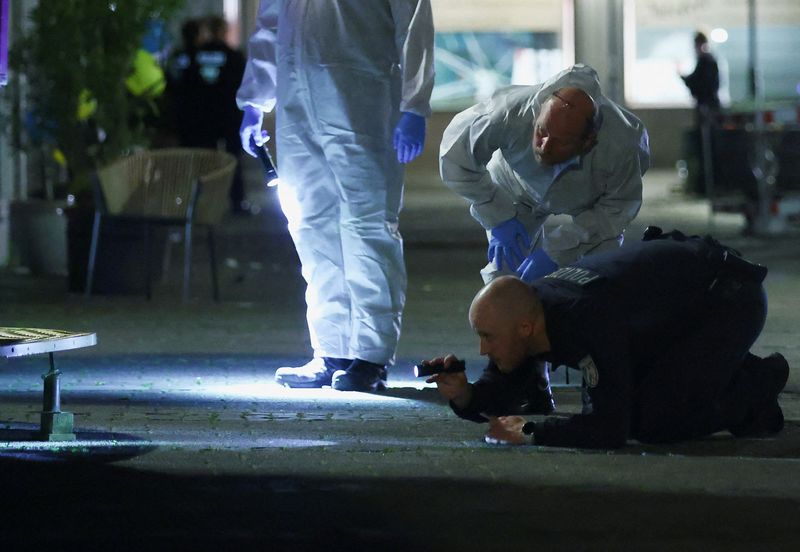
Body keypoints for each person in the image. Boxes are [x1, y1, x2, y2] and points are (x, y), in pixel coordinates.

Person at [424, 228, 789, 449]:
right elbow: (503, 386)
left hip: (728, 302)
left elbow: (610, 428)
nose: (483, 349)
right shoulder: (527, 315)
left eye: (488, 337)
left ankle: (757, 383)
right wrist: (465, 394)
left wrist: (534, 431)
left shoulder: (582, 318)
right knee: (636, 399)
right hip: (672, 314)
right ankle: (725, 374)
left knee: (652, 423)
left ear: (525, 329)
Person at [236, 1, 434, 391]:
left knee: (367, 223)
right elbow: (270, 26)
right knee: (311, 224)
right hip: (300, 103)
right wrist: (255, 102)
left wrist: (415, 104)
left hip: (363, 96)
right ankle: (332, 350)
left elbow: (413, 27)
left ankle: (370, 356)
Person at [440, 64, 650, 285]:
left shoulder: (624, 144)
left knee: (595, 279)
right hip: (514, 187)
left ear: (588, 141)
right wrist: (495, 212)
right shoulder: (507, 111)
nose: (545, 146)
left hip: (590, 198)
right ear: (538, 113)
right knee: (504, 277)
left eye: (561, 141)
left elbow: (617, 207)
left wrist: (560, 249)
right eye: (541, 131)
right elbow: (456, 157)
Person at [680, 31, 721, 197]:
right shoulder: (708, 60)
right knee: (706, 148)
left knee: (706, 148)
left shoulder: (706, 61)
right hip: (708, 108)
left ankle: (706, 185)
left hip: (707, 109)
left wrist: (684, 79)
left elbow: (699, 84)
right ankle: (706, 184)